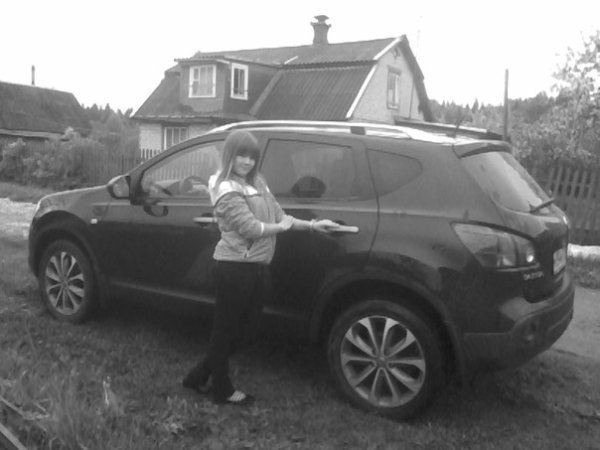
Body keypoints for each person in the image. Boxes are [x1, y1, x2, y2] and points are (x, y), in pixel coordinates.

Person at [182, 130, 339, 406]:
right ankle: (222, 389)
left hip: (255, 268)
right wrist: (281, 228)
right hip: (232, 269)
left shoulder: (258, 183)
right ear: (230, 155)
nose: (247, 161)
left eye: (252, 157)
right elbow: (251, 228)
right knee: (225, 332)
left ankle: (197, 375)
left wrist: (313, 225)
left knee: (247, 331)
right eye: (241, 155)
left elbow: (280, 215)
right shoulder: (225, 189)